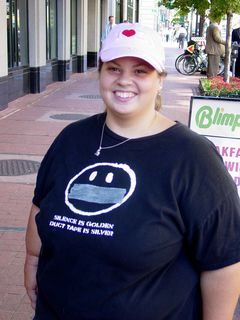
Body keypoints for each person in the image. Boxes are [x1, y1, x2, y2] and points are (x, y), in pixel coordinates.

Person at [24, 23, 240, 320]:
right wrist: (32, 262)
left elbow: (223, 259)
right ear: (100, 73)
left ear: (160, 80)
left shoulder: (193, 158)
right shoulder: (70, 139)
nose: (124, 80)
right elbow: (40, 206)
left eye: (140, 71)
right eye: (114, 68)